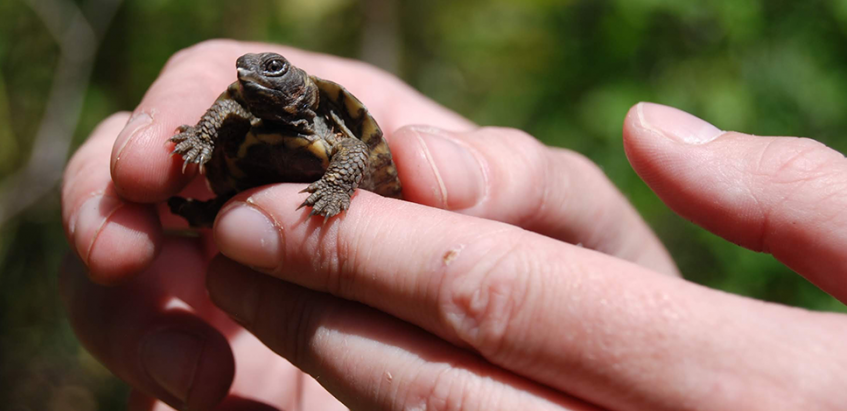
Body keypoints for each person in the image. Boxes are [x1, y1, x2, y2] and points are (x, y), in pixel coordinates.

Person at [58, 40, 847, 411]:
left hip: (327, 189)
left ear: (295, 85)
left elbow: (355, 159)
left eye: (268, 70)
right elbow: (224, 108)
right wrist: (197, 145)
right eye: (248, 73)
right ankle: (198, 212)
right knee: (193, 198)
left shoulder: (332, 123)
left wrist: (341, 187)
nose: (250, 79)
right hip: (242, 205)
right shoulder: (239, 105)